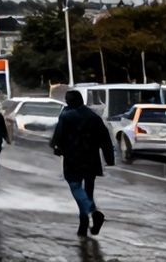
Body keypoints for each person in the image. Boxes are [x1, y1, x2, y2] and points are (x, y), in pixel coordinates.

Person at [51, 90, 115, 237]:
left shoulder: (66, 116)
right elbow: (105, 139)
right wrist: (109, 158)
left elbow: (58, 137)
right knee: (88, 193)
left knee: (76, 187)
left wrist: (57, 148)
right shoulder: (93, 116)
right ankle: (83, 225)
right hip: (91, 160)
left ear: (69, 102)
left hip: (73, 159)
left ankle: (93, 213)